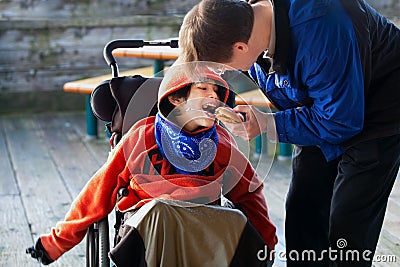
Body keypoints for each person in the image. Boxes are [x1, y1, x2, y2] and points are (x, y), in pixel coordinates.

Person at [178, 0, 400, 266]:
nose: (228, 74)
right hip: (321, 105)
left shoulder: (320, 30)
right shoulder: (246, 24)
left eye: (225, 69)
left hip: (380, 107)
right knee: (302, 211)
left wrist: (268, 124)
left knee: (348, 224)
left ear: (239, 47)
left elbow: (341, 121)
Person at [26, 62, 277, 266]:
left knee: (235, 220)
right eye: (203, 89)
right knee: (160, 210)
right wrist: (55, 243)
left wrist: (267, 247)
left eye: (218, 93)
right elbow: (98, 192)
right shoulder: (141, 137)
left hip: (202, 231)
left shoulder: (222, 144)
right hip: (149, 230)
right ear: (177, 99)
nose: (214, 96)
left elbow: (250, 195)